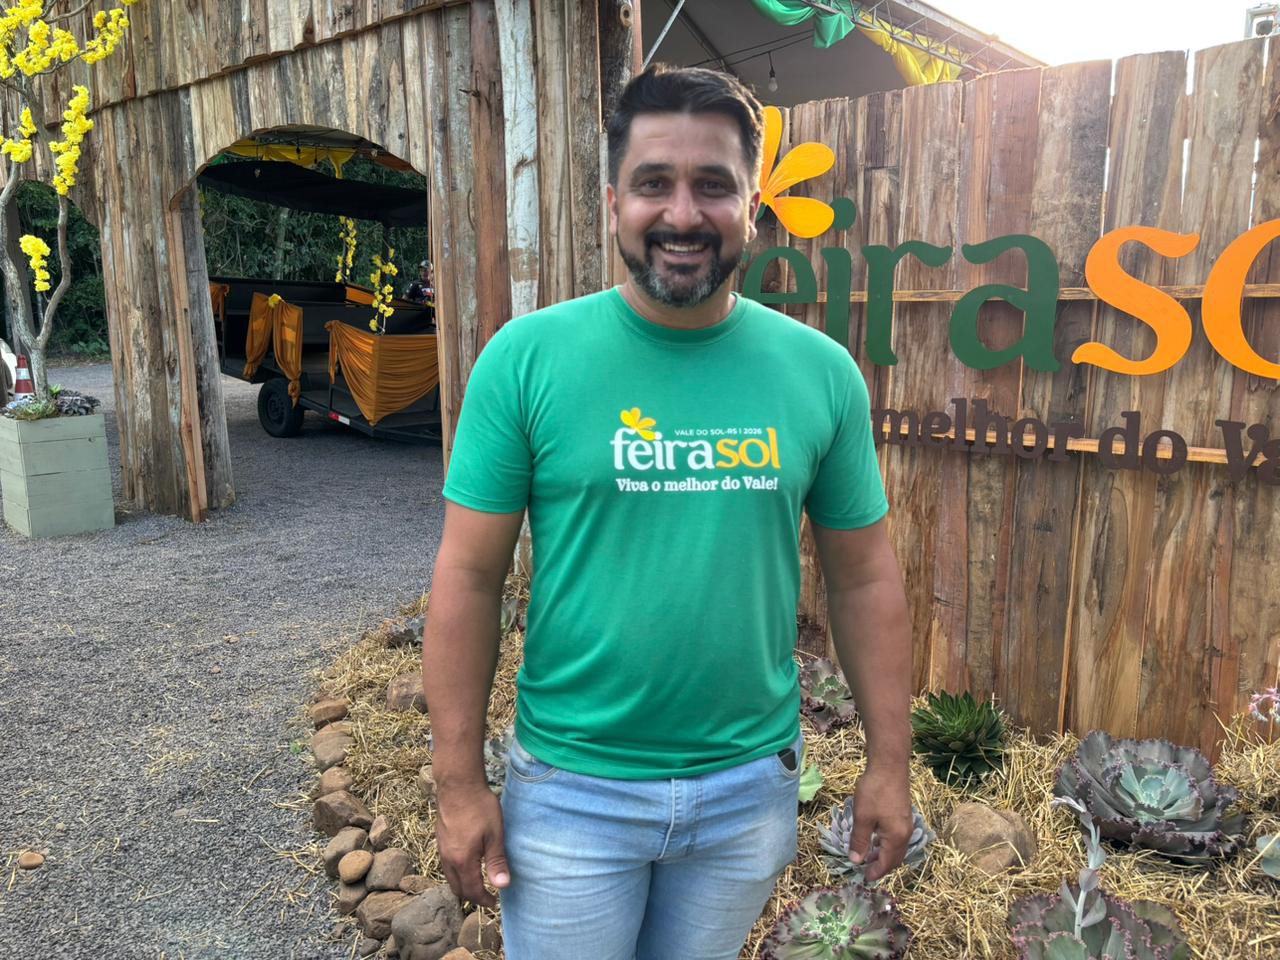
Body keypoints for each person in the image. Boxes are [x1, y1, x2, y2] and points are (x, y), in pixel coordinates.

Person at [421, 64, 912, 960]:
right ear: (615, 203)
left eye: (713, 185)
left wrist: (889, 761)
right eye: (654, 183)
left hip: (746, 792)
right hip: (572, 791)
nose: (683, 214)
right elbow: (468, 574)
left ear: (752, 207)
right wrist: (457, 783)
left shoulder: (821, 374)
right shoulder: (526, 360)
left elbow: (865, 578)